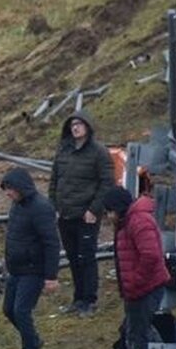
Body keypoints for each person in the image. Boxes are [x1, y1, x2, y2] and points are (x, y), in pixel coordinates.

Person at [102, 186, 169, 349]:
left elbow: (150, 256)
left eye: (110, 211)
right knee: (135, 331)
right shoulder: (128, 222)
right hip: (138, 289)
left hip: (144, 288)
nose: (108, 216)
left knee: (138, 335)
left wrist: (134, 282)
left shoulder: (138, 222)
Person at [49, 110, 115, 317]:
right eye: (72, 124)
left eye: (79, 123)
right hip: (65, 214)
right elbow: (54, 180)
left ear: (87, 126)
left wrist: (94, 209)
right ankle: (78, 299)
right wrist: (54, 206)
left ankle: (90, 300)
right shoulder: (63, 150)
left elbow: (107, 183)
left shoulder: (98, 152)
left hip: (86, 215)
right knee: (73, 257)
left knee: (86, 257)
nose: (75, 127)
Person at [0, 168, 61, 349]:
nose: (7, 193)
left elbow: (51, 242)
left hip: (33, 269)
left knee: (21, 311)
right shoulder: (17, 205)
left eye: (10, 189)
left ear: (20, 187)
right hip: (16, 269)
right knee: (9, 309)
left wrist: (51, 276)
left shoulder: (41, 208)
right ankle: (34, 340)